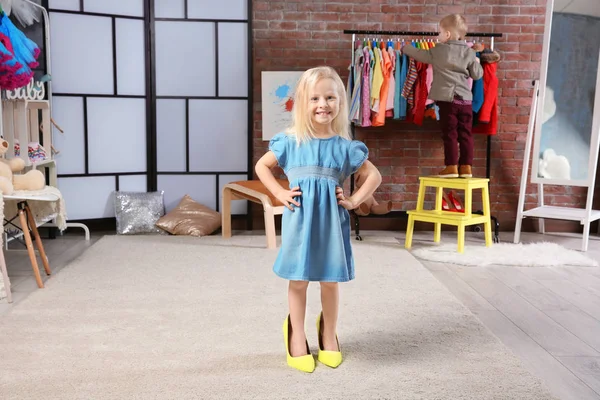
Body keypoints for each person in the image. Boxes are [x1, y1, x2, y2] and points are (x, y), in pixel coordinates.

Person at [255, 66, 382, 373]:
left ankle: (328, 331)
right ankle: (296, 332)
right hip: (299, 220)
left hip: (331, 223)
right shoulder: (290, 141)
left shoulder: (345, 147)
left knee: (329, 280)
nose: (322, 104)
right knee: (298, 279)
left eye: (329, 97)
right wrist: (279, 194)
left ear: (340, 101)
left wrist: (352, 201)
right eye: (314, 98)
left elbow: (374, 175)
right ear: (302, 102)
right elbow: (262, 167)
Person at [402, 14, 483, 178]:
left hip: (447, 100)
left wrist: (405, 48)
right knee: (466, 134)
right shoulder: (468, 52)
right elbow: (477, 75)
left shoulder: (438, 50)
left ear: (447, 34)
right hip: (465, 100)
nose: (437, 36)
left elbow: (420, 55)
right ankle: (466, 167)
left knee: (450, 133)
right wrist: (475, 59)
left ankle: (452, 167)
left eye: (439, 32)